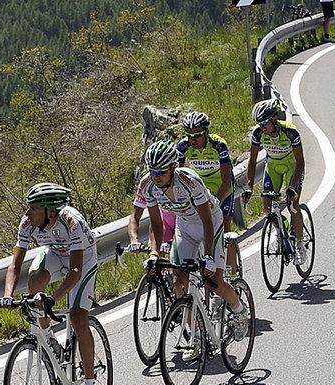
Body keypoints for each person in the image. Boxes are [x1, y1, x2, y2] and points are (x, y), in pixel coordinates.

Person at [128, 140, 250, 349]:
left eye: (161, 172)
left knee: (215, 282)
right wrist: (155, 252)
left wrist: (209, 258)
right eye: (153, 172)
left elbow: (207, 222)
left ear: (173, 168)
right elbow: (156, 223)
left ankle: (239, 310)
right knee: (178, 280)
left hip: (210, 222)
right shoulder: (148, 184)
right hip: (184, 226)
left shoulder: (189, 180)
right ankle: (196, 336)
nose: (156, 177)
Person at [0, 182, 100, 385]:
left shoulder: (72, 221)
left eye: (33, 208)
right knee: (35, 282)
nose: (27, 213)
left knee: (77, 316)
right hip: (54, 252)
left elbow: (75, 271)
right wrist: (7, 295)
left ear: (50, 211)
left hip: (82, 260)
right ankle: (49, 337)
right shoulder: (28, 224)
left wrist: (53, 299)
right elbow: (15, 264)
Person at [242, 99, 308, 266]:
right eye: (259, 124)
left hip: (292, 166)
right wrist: (249, 186)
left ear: (273, 119)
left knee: (293, 205)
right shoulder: (258, 134)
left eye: (264, 123)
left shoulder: (290, 132)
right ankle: (281, 228)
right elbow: (252, 160)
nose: (261, 127)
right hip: (272, 167)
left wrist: (292, 187)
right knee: (266, 208)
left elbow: (300, 162)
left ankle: (300, 243)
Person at [176, 111, 240, 277]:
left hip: (222, 187)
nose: (192, 140)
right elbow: (177, 176)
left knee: (225, 228)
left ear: (205, 133)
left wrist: (216, 200)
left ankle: (231, 273)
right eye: (189, 136)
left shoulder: (219, 145)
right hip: (200, 188)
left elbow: (227, 179)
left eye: (196, 136)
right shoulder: (183, 147)